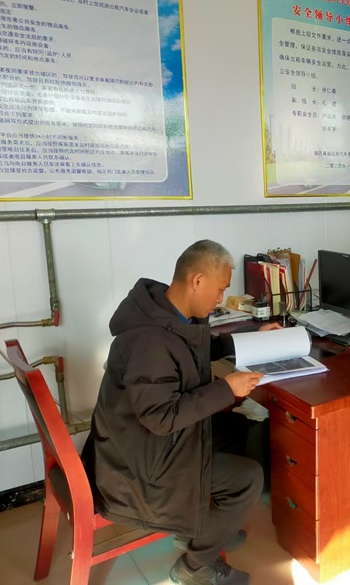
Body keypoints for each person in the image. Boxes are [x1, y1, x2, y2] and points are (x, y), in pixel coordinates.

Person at [82, 240, 281, 585]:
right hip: (138, 471)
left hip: (139, 447)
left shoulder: (163, 314)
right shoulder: (148, 342)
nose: (220, 299)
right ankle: (196, 565)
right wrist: (226, 388)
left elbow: (196, 346)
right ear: (198, 281)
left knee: (238, 431)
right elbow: (162, 417)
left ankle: (207, 527)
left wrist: (250, 338)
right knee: (249, 477)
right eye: (220, 289)